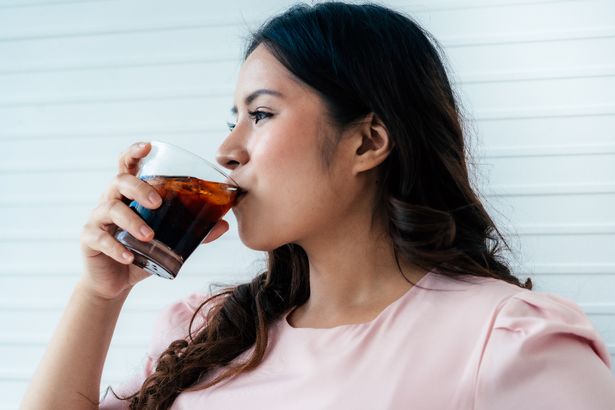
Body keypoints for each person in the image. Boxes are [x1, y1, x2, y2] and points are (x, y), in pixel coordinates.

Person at [21, 2, 615, 409]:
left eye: (260, 115)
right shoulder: (206, 329)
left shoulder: (510, 341)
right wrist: (99, 297)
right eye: (232, 121)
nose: (227, 151)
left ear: (366, 142)